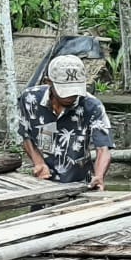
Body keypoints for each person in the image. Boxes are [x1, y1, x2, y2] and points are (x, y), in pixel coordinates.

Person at [17, 54, 114, 191]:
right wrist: (38, 163)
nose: (71, 97)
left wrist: (99, 175)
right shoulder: (30, 100)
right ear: (48, 82)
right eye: (66, 91)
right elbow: (26, 135)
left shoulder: (92, 106)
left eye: (75, 90)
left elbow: (103, 148)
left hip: (80, 183)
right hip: (43, 184)